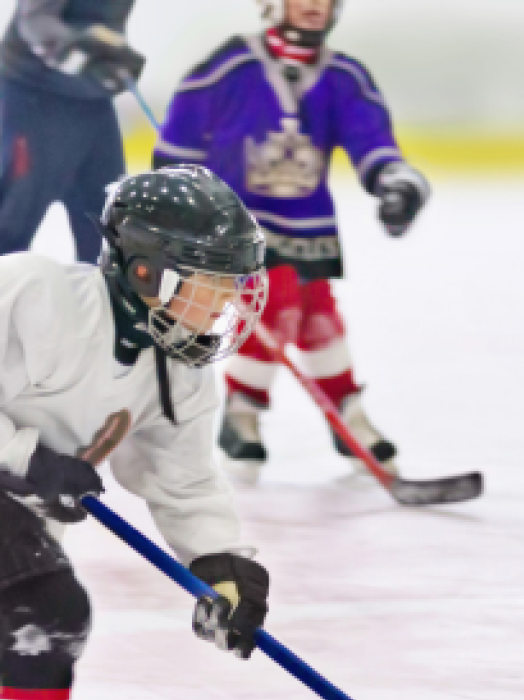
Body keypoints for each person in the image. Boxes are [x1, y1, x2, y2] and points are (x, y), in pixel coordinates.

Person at [0, 166, 272, 700]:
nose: (222, 305)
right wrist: (26, 457)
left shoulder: (177, 367)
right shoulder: (34, 292)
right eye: (208, 282)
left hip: (13, 506)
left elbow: (182, 480)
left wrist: (220, 561)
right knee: (42, 609)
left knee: (42, 616)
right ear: (144, 268)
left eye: (231, 286)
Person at [153, 0, 432, 479]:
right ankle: (245, 410)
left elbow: (372, 139)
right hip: (238, 222)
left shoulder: (343, 76)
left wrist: (395, 183)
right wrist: (178, 197)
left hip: (308, 225)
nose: (313, 6)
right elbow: (180, 139)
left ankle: (345, 409)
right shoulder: (231, 65)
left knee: (317, 312)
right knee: (274, 301)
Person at [0, 0, 145, 263]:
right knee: (12, 225)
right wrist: (76, 53)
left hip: (91, 99)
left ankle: (103, 303)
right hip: (36, 96)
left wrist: (114, 58)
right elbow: (35, 20)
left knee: (110, 229)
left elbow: (99, 24)